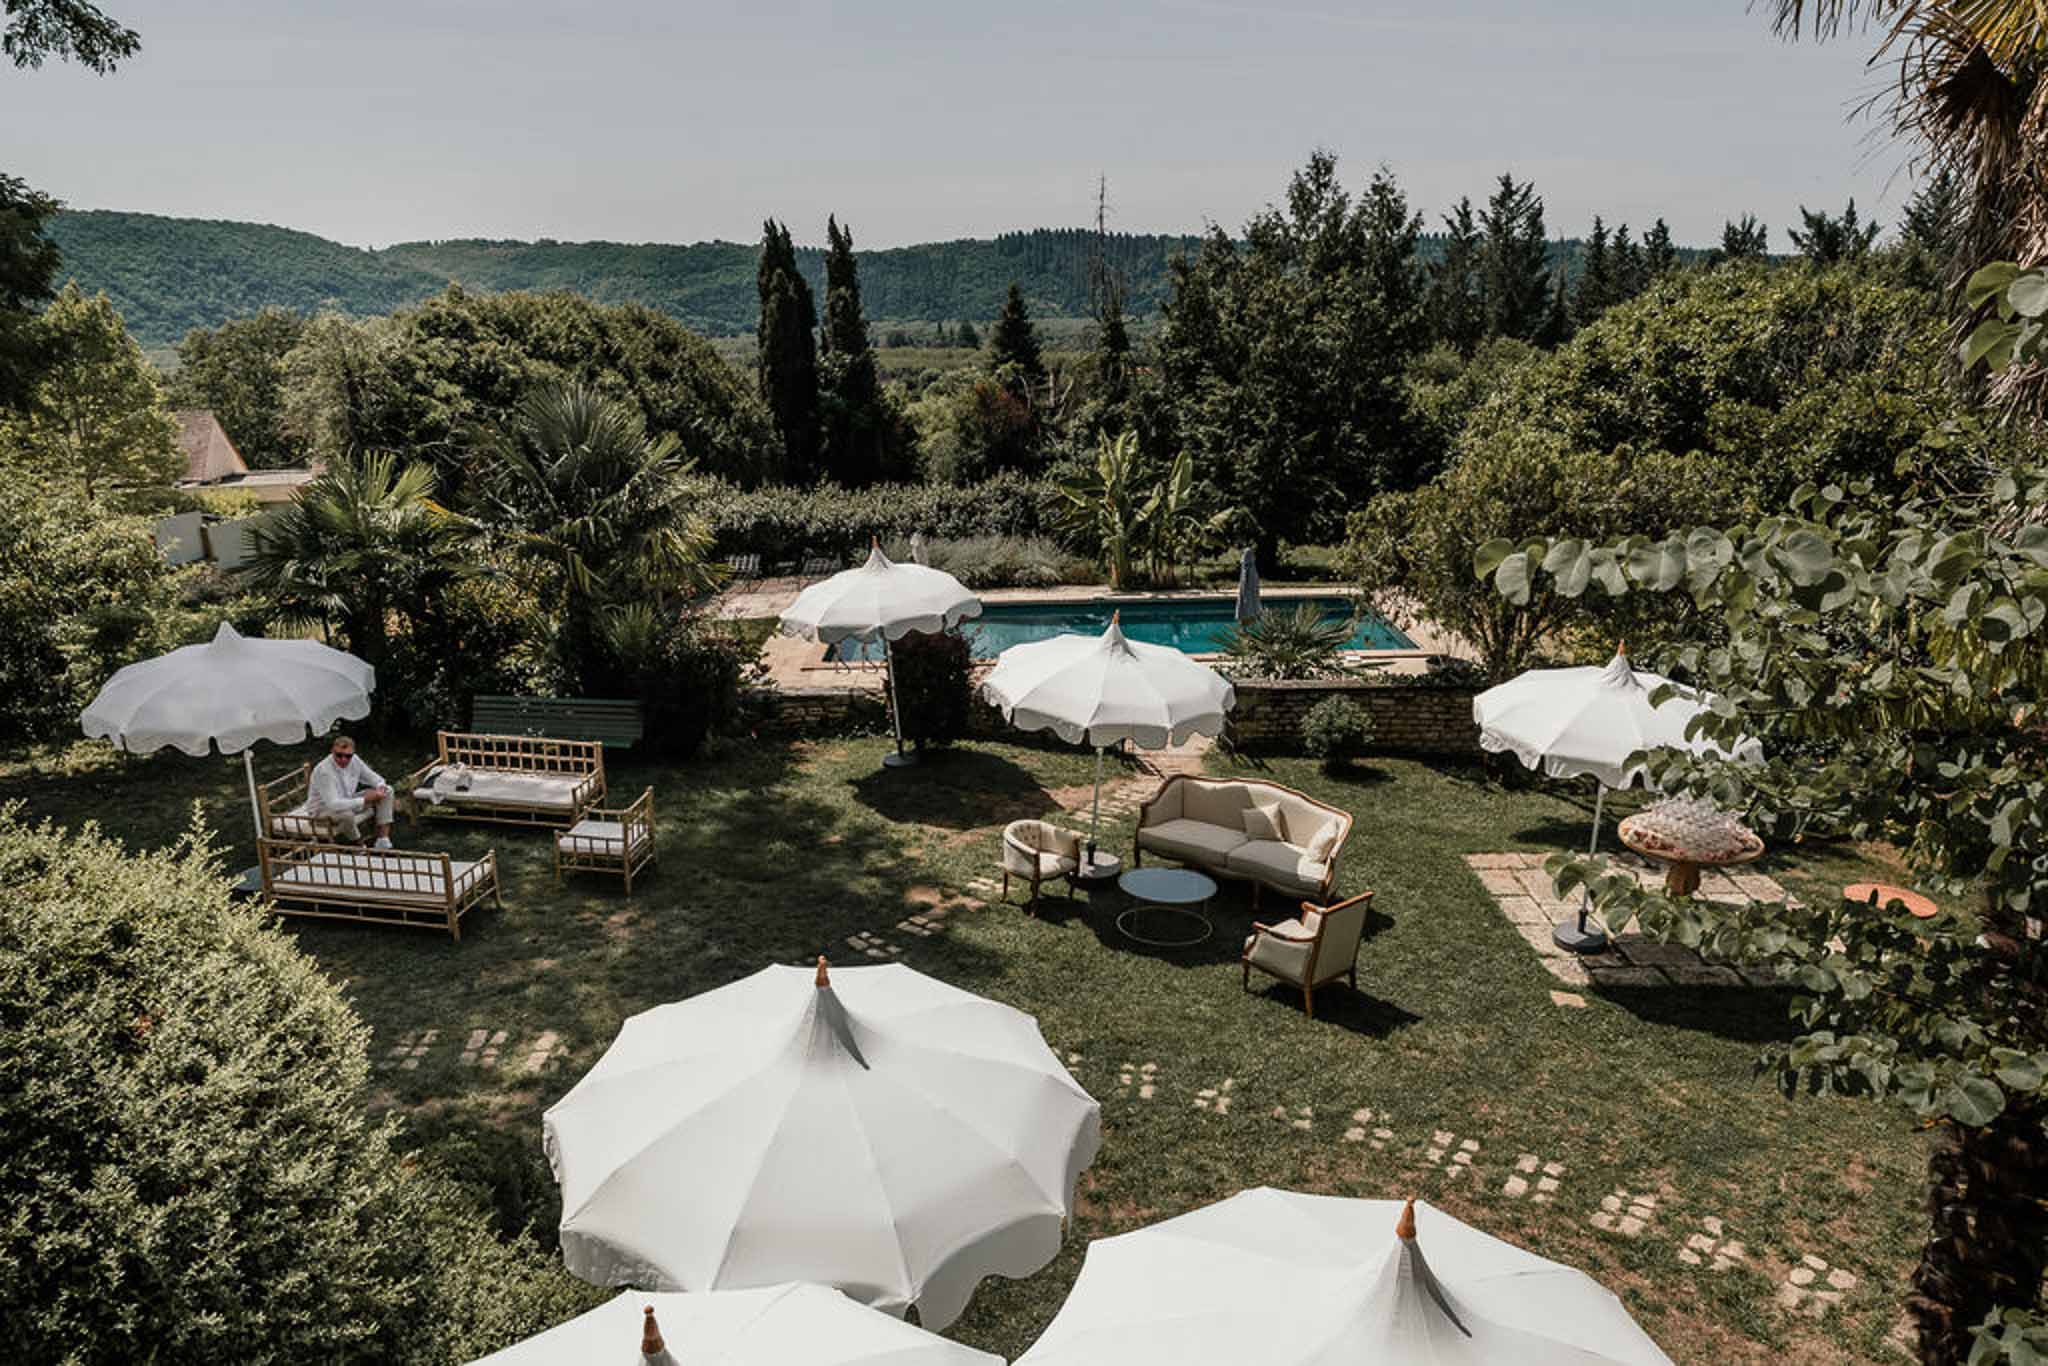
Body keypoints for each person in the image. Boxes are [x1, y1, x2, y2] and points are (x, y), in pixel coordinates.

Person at [307, 735, 396, 848]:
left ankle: (383, 840)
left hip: (348, 801)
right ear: (332, 751)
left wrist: (380, 788)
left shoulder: (354, 760)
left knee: (388, 790)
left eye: (348, 756)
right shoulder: (324, 771)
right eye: (339, 755)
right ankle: (358, 845)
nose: (343, 759)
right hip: (321, 812)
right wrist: (364, 799)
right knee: (347, 815)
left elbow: (375, 778)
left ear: (352, 753)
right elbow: (333, 804)